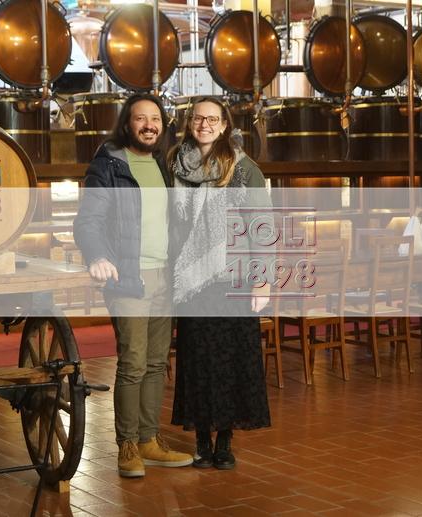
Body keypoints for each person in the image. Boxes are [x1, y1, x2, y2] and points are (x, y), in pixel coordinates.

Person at [74, 93, 192, 478]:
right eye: (141, 118)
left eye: (155, 119)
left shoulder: (163, 164)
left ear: (163, 125)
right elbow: (88, 220)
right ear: (127, 123)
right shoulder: (109, 164)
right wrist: (96, 255)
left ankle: (148, 440)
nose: (149, 125)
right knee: (133, 362)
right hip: (129, 277)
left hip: (165, 276)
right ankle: (126, 445)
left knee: (157, 363)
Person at [168, 97, 272, 470]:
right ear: (189, 122)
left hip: (234, 278)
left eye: (213, 119)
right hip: (190, 280)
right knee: (198, 360)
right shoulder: (174, 164)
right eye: (198, 118)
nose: (205, 125)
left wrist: (263, 281)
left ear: (225, 125)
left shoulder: (244, 169)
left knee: (232, 359)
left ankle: (225, 441)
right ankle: (201, 439)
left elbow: (262, 226)